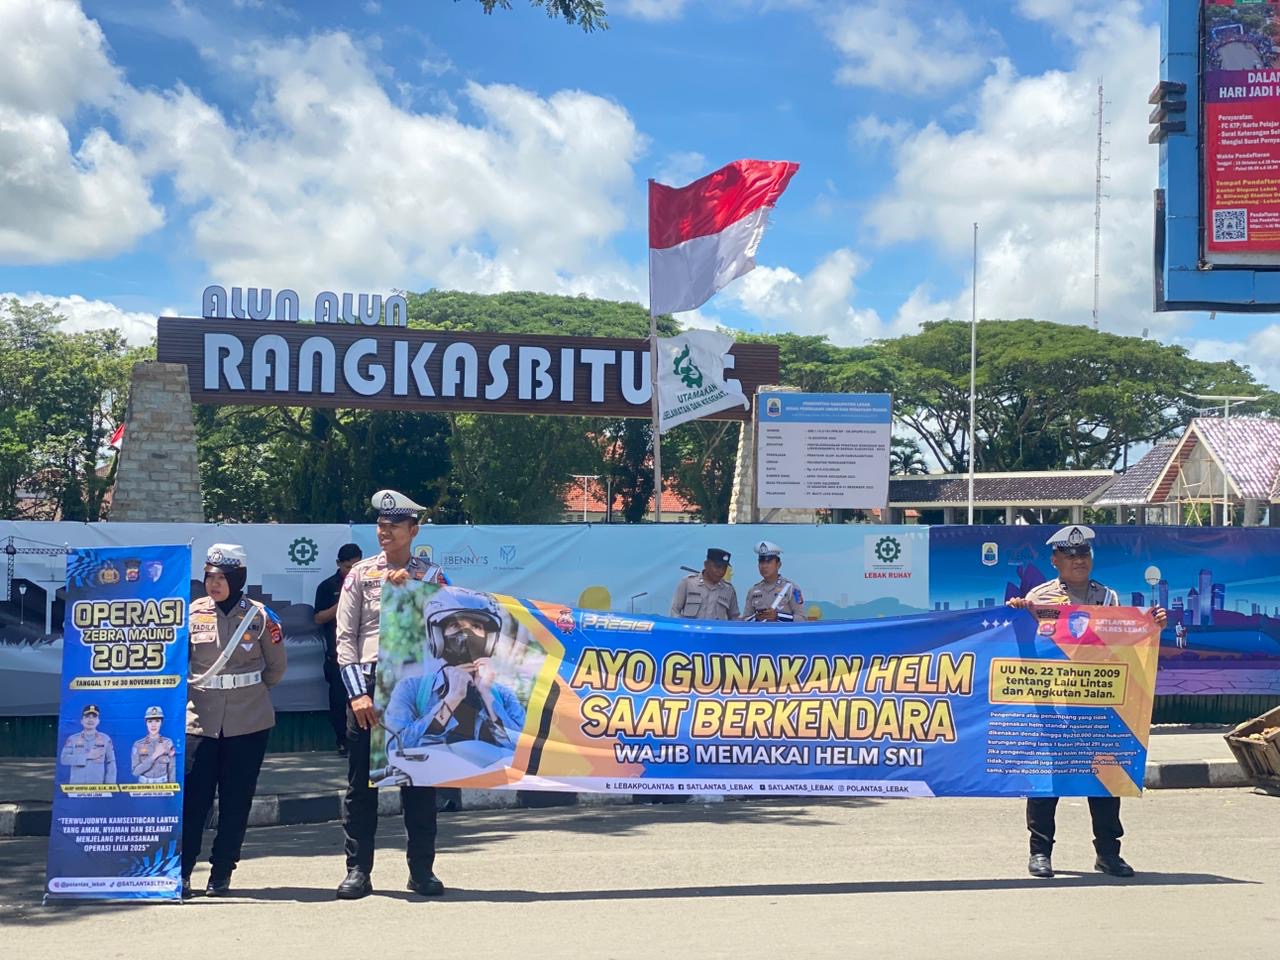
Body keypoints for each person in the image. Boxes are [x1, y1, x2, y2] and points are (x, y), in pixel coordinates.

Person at [1007, 524, 1167, 880]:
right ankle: (1040, 852)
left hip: (1097, 701)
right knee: (1047, 778)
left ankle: (1108, 854)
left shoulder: (1107, 597)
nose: (1078, 560)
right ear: (1055, 560)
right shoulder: (1039, 597)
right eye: (1070, 555)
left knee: (1105, 779)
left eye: (1083, 554)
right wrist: (1018, 613)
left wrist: (1151, 625)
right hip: (1054, 700)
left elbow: (1123, 641)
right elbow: (1023, 643)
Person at [335, 489, 448, 901]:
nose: (384, 532)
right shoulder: (360, 574)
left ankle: (422, 870)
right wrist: (356, 696)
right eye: (381, 526)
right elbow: (344, 640)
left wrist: (414, 588)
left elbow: (447, 627)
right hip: (368, 690)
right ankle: (357, 871)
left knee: (419, 784)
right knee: (360, 787)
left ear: (413, 530)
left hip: (414, 690)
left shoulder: (432, 576)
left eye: (393, 526)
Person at [183, 543, 287, 899]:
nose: (214, 584)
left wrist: (248, 692)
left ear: (238, 578)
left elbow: (276, 668)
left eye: (222, 577)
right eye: (210, 577)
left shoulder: (261, 617)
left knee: (235, 801)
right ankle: (182, 872)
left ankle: (221, 872)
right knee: (193, 800)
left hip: (248, 722)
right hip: (199, 721)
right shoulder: (191, 614)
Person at [384, 587, 526, 763]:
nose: (466, 635)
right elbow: (395, 750)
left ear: (488, 639)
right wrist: (451, 700)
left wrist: (488, 697)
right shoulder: (411, 690)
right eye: (455, 625)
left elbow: (526, 753)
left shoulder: (503, 696)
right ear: (438, 636)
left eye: (476, 626)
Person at [315, 544, 364, 757]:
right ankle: (342, 741)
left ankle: (363, 743)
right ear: (338, 564)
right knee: (338, 701)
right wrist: (343, 603)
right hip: (337, 655)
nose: (352, 571)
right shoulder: (327, 586)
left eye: (356, 566)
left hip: (364, 655)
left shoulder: (370, 584)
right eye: (347, 567)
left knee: (364, 699)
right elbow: (318, 618)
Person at [741, 540, 805, 622]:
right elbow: (745, 621)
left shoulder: (791, 588)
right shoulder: (753, 591)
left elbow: (802, 618)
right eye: (761, 562)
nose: (764, 566)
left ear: (778, 565)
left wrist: (778, 616)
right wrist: (756, 618)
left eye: (768, 562)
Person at [670, 548, 739, 620]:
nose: (721, 572)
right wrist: (683, 626)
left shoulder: (728, 589)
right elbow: (674, 611)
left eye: (724, 568)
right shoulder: (688, 583)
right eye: (717, 567)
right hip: (691, 627)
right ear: (706, 564)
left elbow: (734, 617)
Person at [60, 704, 116, 785]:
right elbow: (64, 759)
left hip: (97, 786)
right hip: (76, 786)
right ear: (81, 721)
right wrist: (87, 756)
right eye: (87, 717)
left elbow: (111, 762)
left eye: (94, 717)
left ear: (98, 721)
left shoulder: (106, 739)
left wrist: (110, 785)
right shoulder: (72, 739)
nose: (90, 719)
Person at [131, 706, 176, 783]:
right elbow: (135, 772)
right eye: (150, 721)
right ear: (146, 723)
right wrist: (154, 756)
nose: (153, 725)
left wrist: (172, 787)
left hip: (163, 785)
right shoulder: (138, 744)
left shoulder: (168, 743)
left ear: (161, 723)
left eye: (157, 721)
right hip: (144, 785)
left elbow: (172, 769)